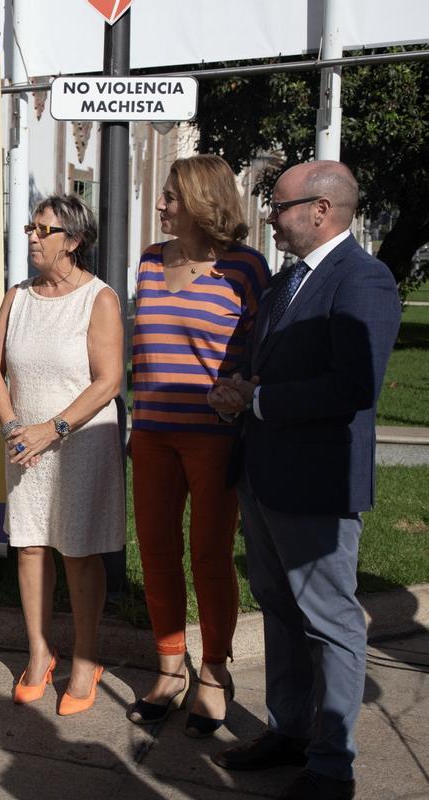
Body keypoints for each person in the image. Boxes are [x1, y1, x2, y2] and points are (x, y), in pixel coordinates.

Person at [208, 161, 400, 800]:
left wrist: (259, 401)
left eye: (280, 205)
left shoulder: (364, 281)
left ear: (321, 210)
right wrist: (241, 387)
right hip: (263, 477)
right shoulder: (291, 280)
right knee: (282, 612)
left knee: (329, 620)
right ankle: (289, 731)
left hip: (315, 484)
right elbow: (270, 362)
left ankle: (331, 764)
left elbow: (353, 385)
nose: (271, 216)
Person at [127, 155, 270, 735]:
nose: (160, 206)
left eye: (170, 197)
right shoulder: (147, 262)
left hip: (214, 437)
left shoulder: (245, 269)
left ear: (201, 201)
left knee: (210, 557)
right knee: (157, 551)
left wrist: (248, 388)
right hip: (152, 432)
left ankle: (214, 670)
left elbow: (270, 349)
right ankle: (169, 667)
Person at [0, 194, 125, 716]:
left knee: (80, 551)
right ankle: (40, 653)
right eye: (31, 227)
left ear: (74, 241)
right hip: (25, 444)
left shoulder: (99, 300)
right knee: (31, 545)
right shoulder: (17, 296)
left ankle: (87, 660)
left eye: (45, 230)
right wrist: (14, 427)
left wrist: (54, 428)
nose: (34, 238)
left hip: (81, 439)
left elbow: (109, 381)